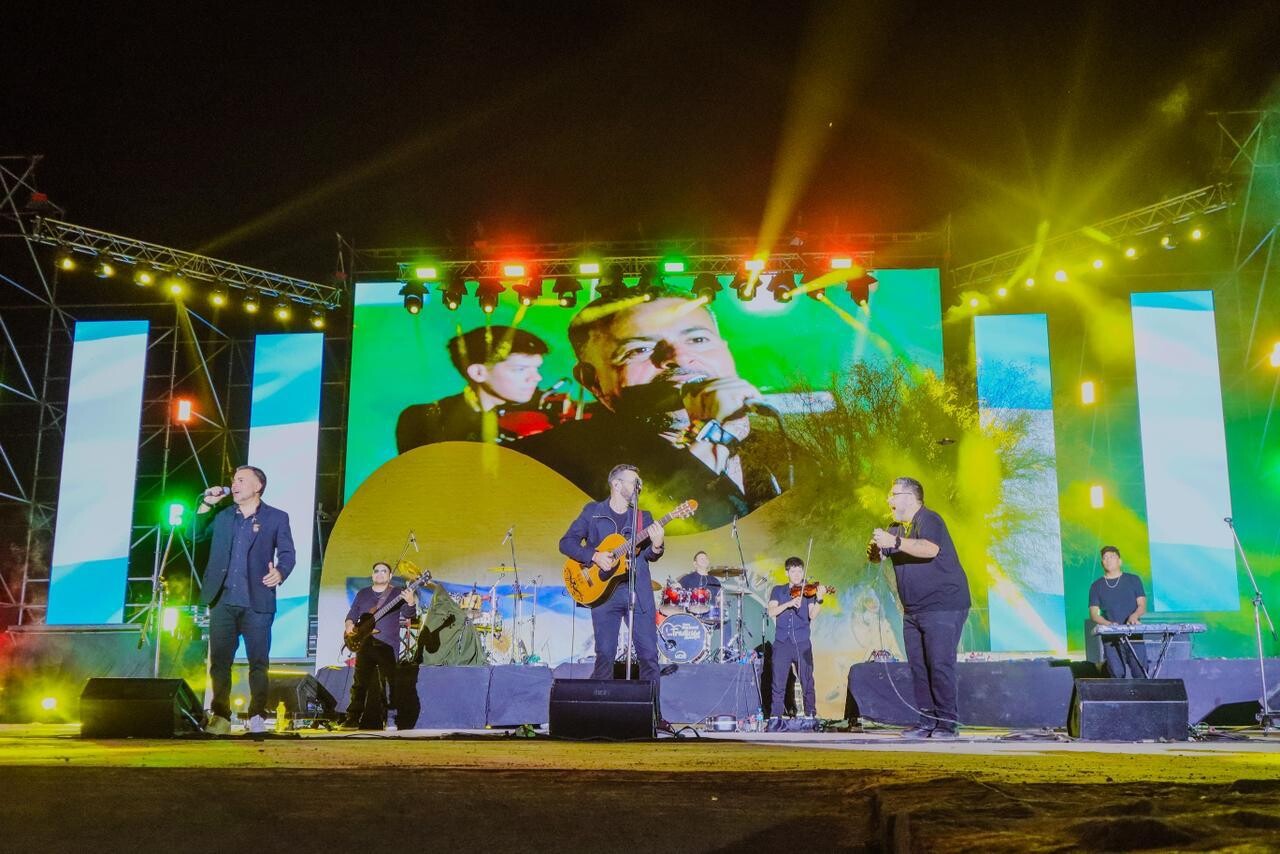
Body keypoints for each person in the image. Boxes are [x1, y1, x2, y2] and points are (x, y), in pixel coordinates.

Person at [516, 288, 794, 529]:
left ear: (727, 352)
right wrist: (710, 440)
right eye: (639, 350)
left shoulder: (786, 453)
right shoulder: (547, 462)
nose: (679, 357)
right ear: (592, 381)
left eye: (698, 340)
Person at [195, 466, 296, 735]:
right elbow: (194, 535)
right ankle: (221, 716)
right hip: (223, 599)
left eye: (241, 480)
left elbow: (288, 553)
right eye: (233, 480)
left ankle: (257, 715)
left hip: (257, 601)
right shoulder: (224, 516)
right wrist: (207, 503)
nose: (234, 484)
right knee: (219, 662)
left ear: (257, 486)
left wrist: (281, 572)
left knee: (258, 663)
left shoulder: (276, 517)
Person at [869, 476, 970, 739]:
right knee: (919, 666)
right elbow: (880, 557)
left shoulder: (929, 519)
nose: (889, 499)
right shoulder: (895, 528)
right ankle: (927, 721)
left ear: (911, 497)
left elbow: (930, 549)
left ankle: (947, 724)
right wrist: (876, 551)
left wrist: (896, 544)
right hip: (913, 609)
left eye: (893, 494)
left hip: (944, 605)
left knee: (939, 664)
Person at [558, 464, 666, 704]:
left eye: (639, 482)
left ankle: (653, 715)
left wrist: (657, 545)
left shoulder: (642, 517)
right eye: (633, 481)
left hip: (638, 591)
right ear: (616, 484)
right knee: (604, 655)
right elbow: (566, 543)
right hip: (603, 594)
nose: (639, 486)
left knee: (649, 656)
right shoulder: (593, 512)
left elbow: (648, 555)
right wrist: (594, 556)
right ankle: (599, 712)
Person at [396, 325, 550, 451]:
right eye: (520, 369)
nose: (537, 378)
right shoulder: (422, 419)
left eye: (537, 368)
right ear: (478, 372)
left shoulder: (550, 412)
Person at [340, 561, 419, 729]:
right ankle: (353, 718)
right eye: (377, 571)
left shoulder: (398, 593)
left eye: (384, 571)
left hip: (388, 645)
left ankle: (392, 719)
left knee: (390, 683)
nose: (380, 573)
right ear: (372, 575)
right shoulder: (363, 594)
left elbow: (408, 614)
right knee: (359, 683)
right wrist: (348, 625)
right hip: (365, 643)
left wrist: (411, 602)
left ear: (390, 576)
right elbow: (352, 614)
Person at [767, 556, 823, 719]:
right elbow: (771, 611)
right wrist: (789, 603)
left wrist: (819, 599)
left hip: (802, 642)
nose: (797, 574)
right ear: (787, 573)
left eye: (800, 571)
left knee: (807, 681)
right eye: (793, 571)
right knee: (778, 683)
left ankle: (810, 715)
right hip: (782, 643)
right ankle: (775, 717)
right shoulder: (778, 590)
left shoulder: (808, 592)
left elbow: (812, 615)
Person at [1088, 546, 1148, 678]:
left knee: (1140, 672)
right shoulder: (1096, 586)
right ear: (1102, 563)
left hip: (1134, 635)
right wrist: (1108, 624)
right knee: (1117, 673)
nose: (1108, 560)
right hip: (1111, 638)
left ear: (1119, 561)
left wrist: (1135, 615)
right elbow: (1093, 614)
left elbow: (1142, 605)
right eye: (1105, 558)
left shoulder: (1133, 580)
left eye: (1112, 556)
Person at [677, 549, 722, 616]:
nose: (704, 560)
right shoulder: (687, 578)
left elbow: (719, 599)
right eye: (701, 559)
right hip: (692, 616)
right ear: (695, 564)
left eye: (706, 558)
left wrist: (721, 601)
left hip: (711, 616)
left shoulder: (715, 581)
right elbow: (677, 588)